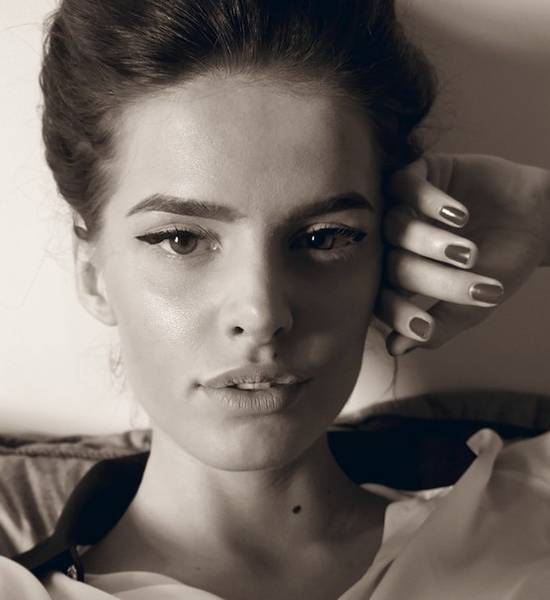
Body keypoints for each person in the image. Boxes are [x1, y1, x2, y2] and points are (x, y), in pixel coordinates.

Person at [0, 0, 549, 598]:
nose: (262, 314)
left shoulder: (527, 512)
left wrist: (539, 215)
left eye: (324, 237)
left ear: (388, 250)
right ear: (91, 272)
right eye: (181, 239)